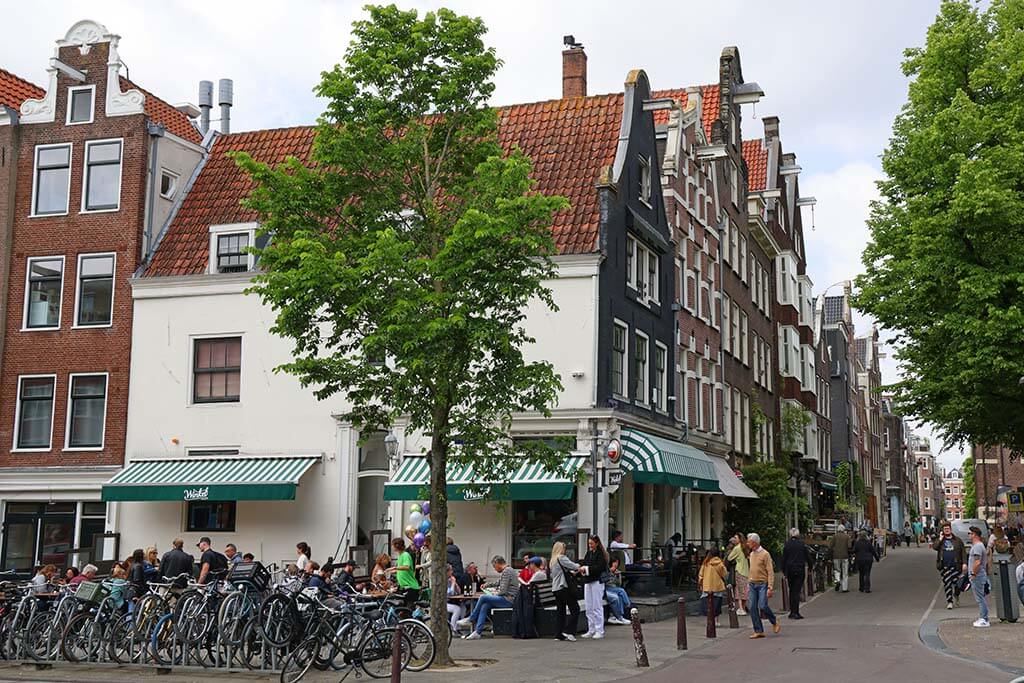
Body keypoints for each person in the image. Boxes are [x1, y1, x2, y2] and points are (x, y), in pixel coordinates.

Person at [457, 555, 519, 639]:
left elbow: (503, 591)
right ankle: (478, 632)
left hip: (508, 600)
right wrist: (487, 585)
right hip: (508, 599)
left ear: (497, 564)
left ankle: (471, 619)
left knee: (483, 597)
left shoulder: (507, 571)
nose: (494, 569)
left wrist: (493, 593)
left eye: (494, 567)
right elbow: (499, 582)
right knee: (485, 606)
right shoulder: (509, 570)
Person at [746, 534, 778, 638]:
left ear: (754, 543)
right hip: (752, 583)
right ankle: (758, 630)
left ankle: (774, 621)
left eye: (749, 541)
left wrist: (770, 587)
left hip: (762, 584)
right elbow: (751, 570)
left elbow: (770, 571)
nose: (747, 543)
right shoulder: (751, 554)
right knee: (752, 607)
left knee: (763, 605)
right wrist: (748, 582)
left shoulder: (765, 554)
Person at [548, 541, 581, 641]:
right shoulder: (561, 558)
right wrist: (580, 565)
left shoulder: (552, 561)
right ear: (560, 549)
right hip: (563, 587)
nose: (565, 550)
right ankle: (569, 632)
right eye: (563, 548)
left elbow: (555, 574)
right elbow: (574, 566)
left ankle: (558, 634)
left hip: (556, 589)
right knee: (575, 608)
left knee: (560, 611)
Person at [579, 535, 609, 639]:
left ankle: (599, 630)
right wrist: (581, 569)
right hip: (588, 581)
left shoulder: (601, 554)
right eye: (589, 544)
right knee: (589, 606)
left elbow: (599, 568)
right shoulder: (589, 553)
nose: (590, 545)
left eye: (591, 543)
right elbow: (584, 563)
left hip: (597, 582)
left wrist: (586, 568)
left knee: (597, 606)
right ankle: (591, 629)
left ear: (597, 543)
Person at [931, 522, 967, 610]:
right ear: (942, 531)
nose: (947, 530)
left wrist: (964, 563)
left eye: (948, 528)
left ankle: (956, 594)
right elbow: (935, 547)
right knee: (947, 584)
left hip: (956, 566)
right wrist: (940, 538)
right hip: (945, 566)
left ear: (951, 529)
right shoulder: (941, 540)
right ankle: (949, 602)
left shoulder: (957, 540)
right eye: (945, 529)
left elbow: (963, 552)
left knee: (958, 584)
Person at [781, 528, 813, 619]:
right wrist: (810, 567)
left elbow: (784, 558)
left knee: (791, 590)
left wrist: (784, 571)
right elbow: (808, 557)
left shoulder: (787, 545)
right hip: (799, 569)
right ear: (798, 535)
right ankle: (796, 612)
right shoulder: (802, 544)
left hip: (790, 569)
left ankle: (792, 612)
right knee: (797, 590)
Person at [967, 526, 990, 628]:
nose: (968, 535)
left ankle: (984, 619)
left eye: (969, 533)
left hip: (978, 576)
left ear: (974, 535)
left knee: (980, 598)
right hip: (979, 575)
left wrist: (973, 574)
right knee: (981, 597)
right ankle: (983, 617)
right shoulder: (979, 546)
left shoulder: (977, 546)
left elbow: (977, 562)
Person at [698, 546, 728, 625]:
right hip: (717, 586)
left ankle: (709, 620)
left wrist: (701, 583)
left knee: (708, 604)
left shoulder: (706, 563)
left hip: (707, 586)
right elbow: (724, 574)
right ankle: (716, 621)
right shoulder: (720, 563)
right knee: (717, 604)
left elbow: (701, 575)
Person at [389, 538, 420, 605]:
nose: (392, 547)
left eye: (392, 545)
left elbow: (407, 567)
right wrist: (393, 571)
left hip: (410, 587)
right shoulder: (400, 556)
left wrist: (395, 568)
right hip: (404, 587)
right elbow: (402, 570)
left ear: (397, 546)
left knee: (408, 610)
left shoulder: (405, 555)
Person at [727, 533, 750, 615]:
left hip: (739, 570)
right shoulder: (745, 547)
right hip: (746, 571)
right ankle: (743, 607)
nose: (735, 539)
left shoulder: (737, 548)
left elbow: (729, 558)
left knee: (739, 591)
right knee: (745, 590)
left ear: (739, 539)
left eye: (736, 538)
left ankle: (740, 609)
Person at [829, 525, 852, 592]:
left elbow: (830, 546)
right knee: (845, 572)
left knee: (837, 570)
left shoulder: (834, 536)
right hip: (845, 556)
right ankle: (845, 588)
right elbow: (849, 546)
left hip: (836, 556)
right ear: (843, 530)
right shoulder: (847, 536)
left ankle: (837, 581)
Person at [445, 564, 464, 632]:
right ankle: (453, 628)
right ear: (447, 572)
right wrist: (453, 583)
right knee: (457, 609)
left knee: (462, 606)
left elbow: (458, 592)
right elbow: (450, 593)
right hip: (443, 603)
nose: (452, 572)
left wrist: (455, 585)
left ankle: (459, 625)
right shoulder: (444, 581)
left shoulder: (450, 579)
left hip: (449, 601)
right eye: (451, 570)